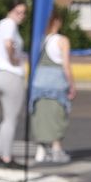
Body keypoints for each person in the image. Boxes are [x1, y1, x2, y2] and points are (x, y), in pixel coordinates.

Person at [29, 11, 76, 164]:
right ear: (57, 21)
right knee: (58, 115)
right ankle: (56, 148)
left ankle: (41, 149)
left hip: (39, 81)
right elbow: (66, 66)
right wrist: (72, 85)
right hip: (56, 82)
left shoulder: (40, 40)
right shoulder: (62, 40)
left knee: (41, 115)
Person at [0, 1, 27, 167]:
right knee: (11, 119)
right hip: (11, 75)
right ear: (10, 11)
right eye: (18, 12)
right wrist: (13, 59)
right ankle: (6, 157)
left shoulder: (2, 24)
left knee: (6, 119)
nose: (21, 16)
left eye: (23, 13)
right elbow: (8, 43)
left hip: (0, 74)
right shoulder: (9, 24)